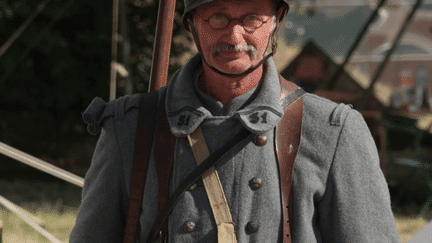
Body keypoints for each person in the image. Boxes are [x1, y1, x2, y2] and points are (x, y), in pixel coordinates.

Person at [70, 0, 400, 242]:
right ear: (191, 23)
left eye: (251, 18)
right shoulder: (128, 127)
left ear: (275, 19)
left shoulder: (333, 130)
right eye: (217, 17)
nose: (235, 35)